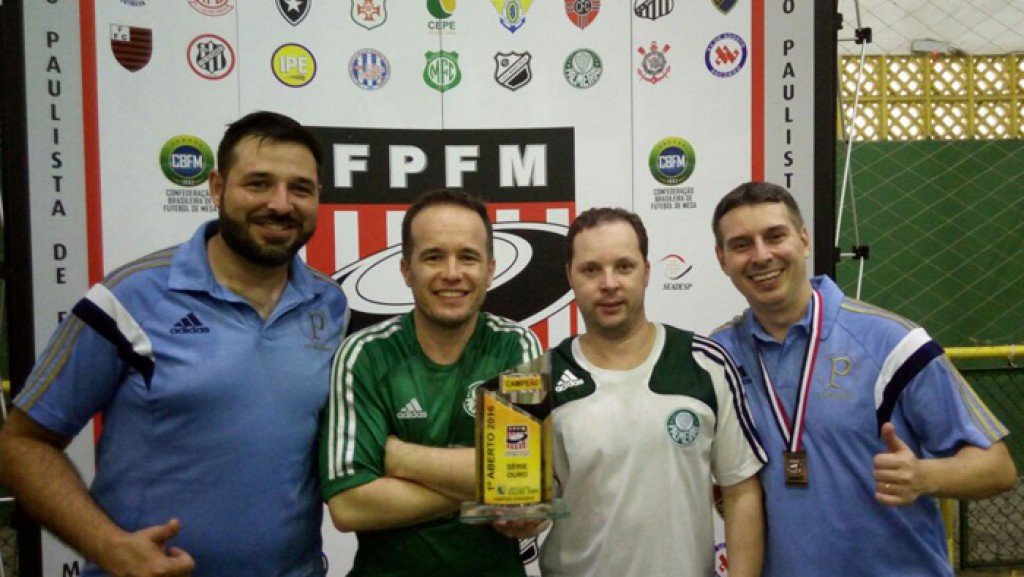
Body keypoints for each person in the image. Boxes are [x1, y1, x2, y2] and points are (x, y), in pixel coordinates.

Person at [0, 111, 350, 577]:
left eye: (300, 189)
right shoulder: (130, 297)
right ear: (217, 188)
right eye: (258, 184)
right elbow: (22, 443)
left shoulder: (330, 303)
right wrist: (110, 547)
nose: (281, 204)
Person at [710, 181, 1017, 577]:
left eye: (775, 236)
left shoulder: (893, 342)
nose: (761, 255)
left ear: (803, 240)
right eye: (741, 245)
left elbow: (998, 468)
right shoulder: (717, 357)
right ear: (722, 259)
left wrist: (924, 476)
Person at [319, 189, 543, 576]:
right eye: (434, 257)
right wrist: (488, 486)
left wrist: (401, 459)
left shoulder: (516, 347)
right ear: (407, 270)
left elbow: (524, 486)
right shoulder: (365, 354)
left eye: (468, 257)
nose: (452, 273)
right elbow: (350, 505)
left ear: (490, 269)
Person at [539, 207, 767, 577]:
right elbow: (527, 505)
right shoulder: (540, 379)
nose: (609, 283)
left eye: (623, 266)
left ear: (646, 272)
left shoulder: (704, 363)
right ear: (570, 277)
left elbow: (740, 490)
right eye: (591, 269)